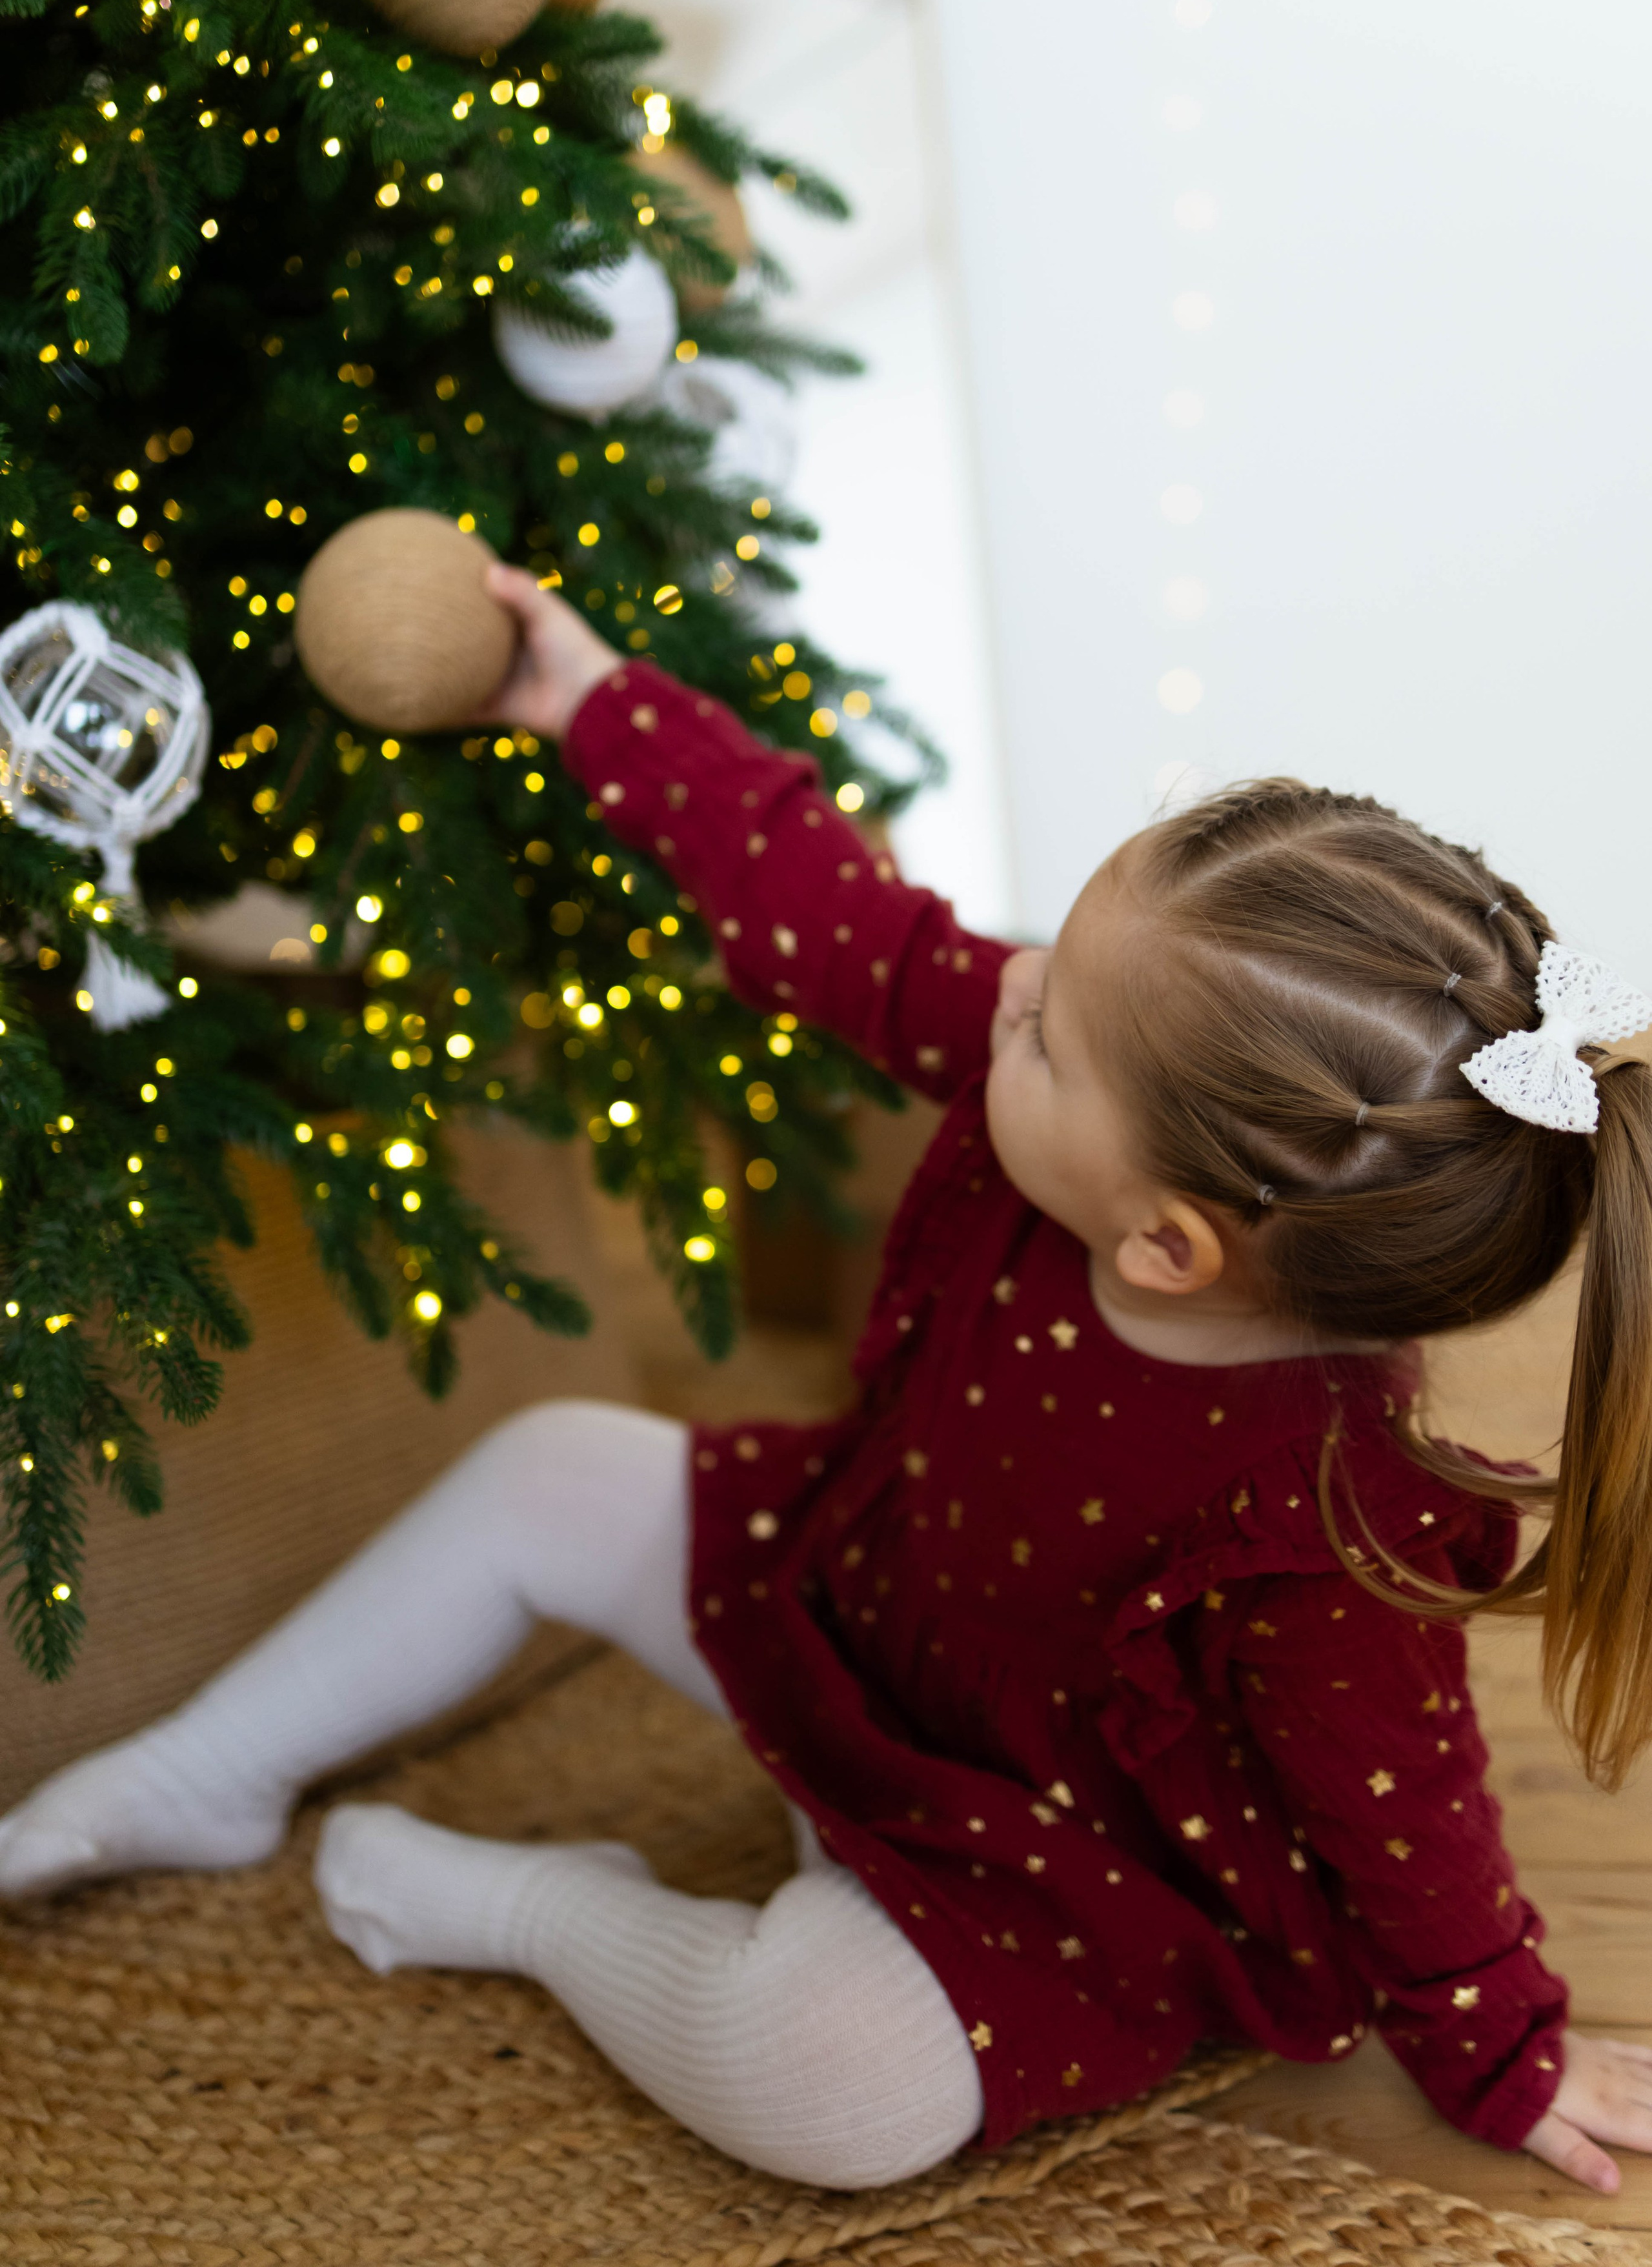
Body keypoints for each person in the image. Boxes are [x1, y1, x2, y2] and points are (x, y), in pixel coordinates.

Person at [7, 569, 1652, 2197]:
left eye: (1046, 1031)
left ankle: (524, 1905)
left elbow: (1400, 1814)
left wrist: (1499, 2051)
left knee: (830, 2090)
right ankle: (206, 1774)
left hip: (1045, 1867)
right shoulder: (1076, 1118)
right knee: (553, 1467)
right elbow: (829, 910)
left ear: (1166, 1246)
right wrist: (595, 700)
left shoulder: (1319, 1520)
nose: (1000, 983)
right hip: (846, 1610)